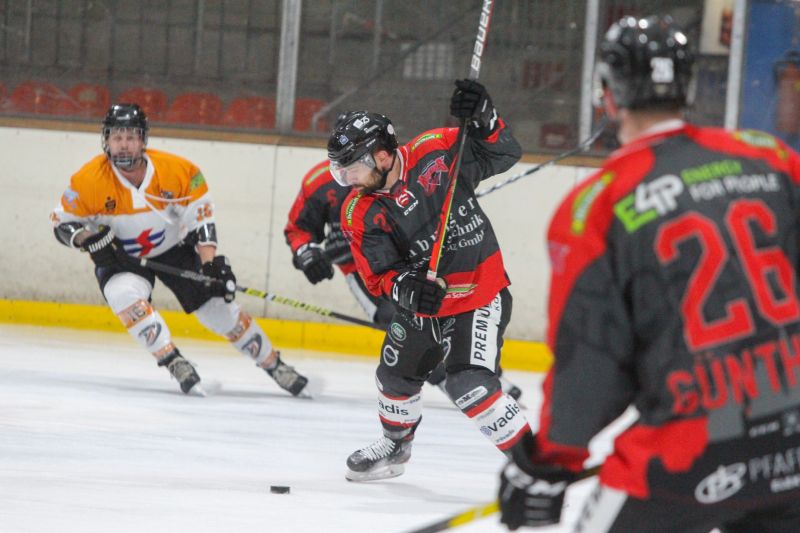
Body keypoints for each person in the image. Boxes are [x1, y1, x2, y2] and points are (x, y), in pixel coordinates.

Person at [499, 15, 800, 532]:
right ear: (685, 87)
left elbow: (592, 361)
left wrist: (549, 461)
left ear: (609, 96)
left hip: (686, 455)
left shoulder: (596, 205)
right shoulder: (770, 158)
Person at [328, 80, 532, 482]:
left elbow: (506, 151)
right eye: (341, 168)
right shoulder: (358, 211)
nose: (346, 177)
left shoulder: (438, 149)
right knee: (394, 377)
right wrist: (406, 286)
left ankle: (533, 460)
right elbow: (380, 274)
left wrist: (485, 115)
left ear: (383, 156)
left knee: (468, 383)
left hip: (478, 292)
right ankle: (396, 444)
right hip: (425, 304)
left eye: (352, 166)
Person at [51, 103, 309, 397]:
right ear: (106, 140)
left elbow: (201, 219)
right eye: (117, 137)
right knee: (123, 295)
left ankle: (274, 364)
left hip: (174, 249)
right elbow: (62, 223)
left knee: (218, 311)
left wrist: (209, 265)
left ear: (143, 140)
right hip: (122, 258)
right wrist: (88, 239)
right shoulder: (87, 180)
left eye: (131, 137)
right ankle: (171, 359)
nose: (124, 144)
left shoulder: (179, 171)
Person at [284, 154, 523, 398]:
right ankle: (445, 378)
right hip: (365, 270)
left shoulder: (394, 167)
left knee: (448, 307)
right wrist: (307, 254)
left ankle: (483, 372)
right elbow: (298, 230)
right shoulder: (319, 181)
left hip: (411, 258)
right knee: (393, 318)